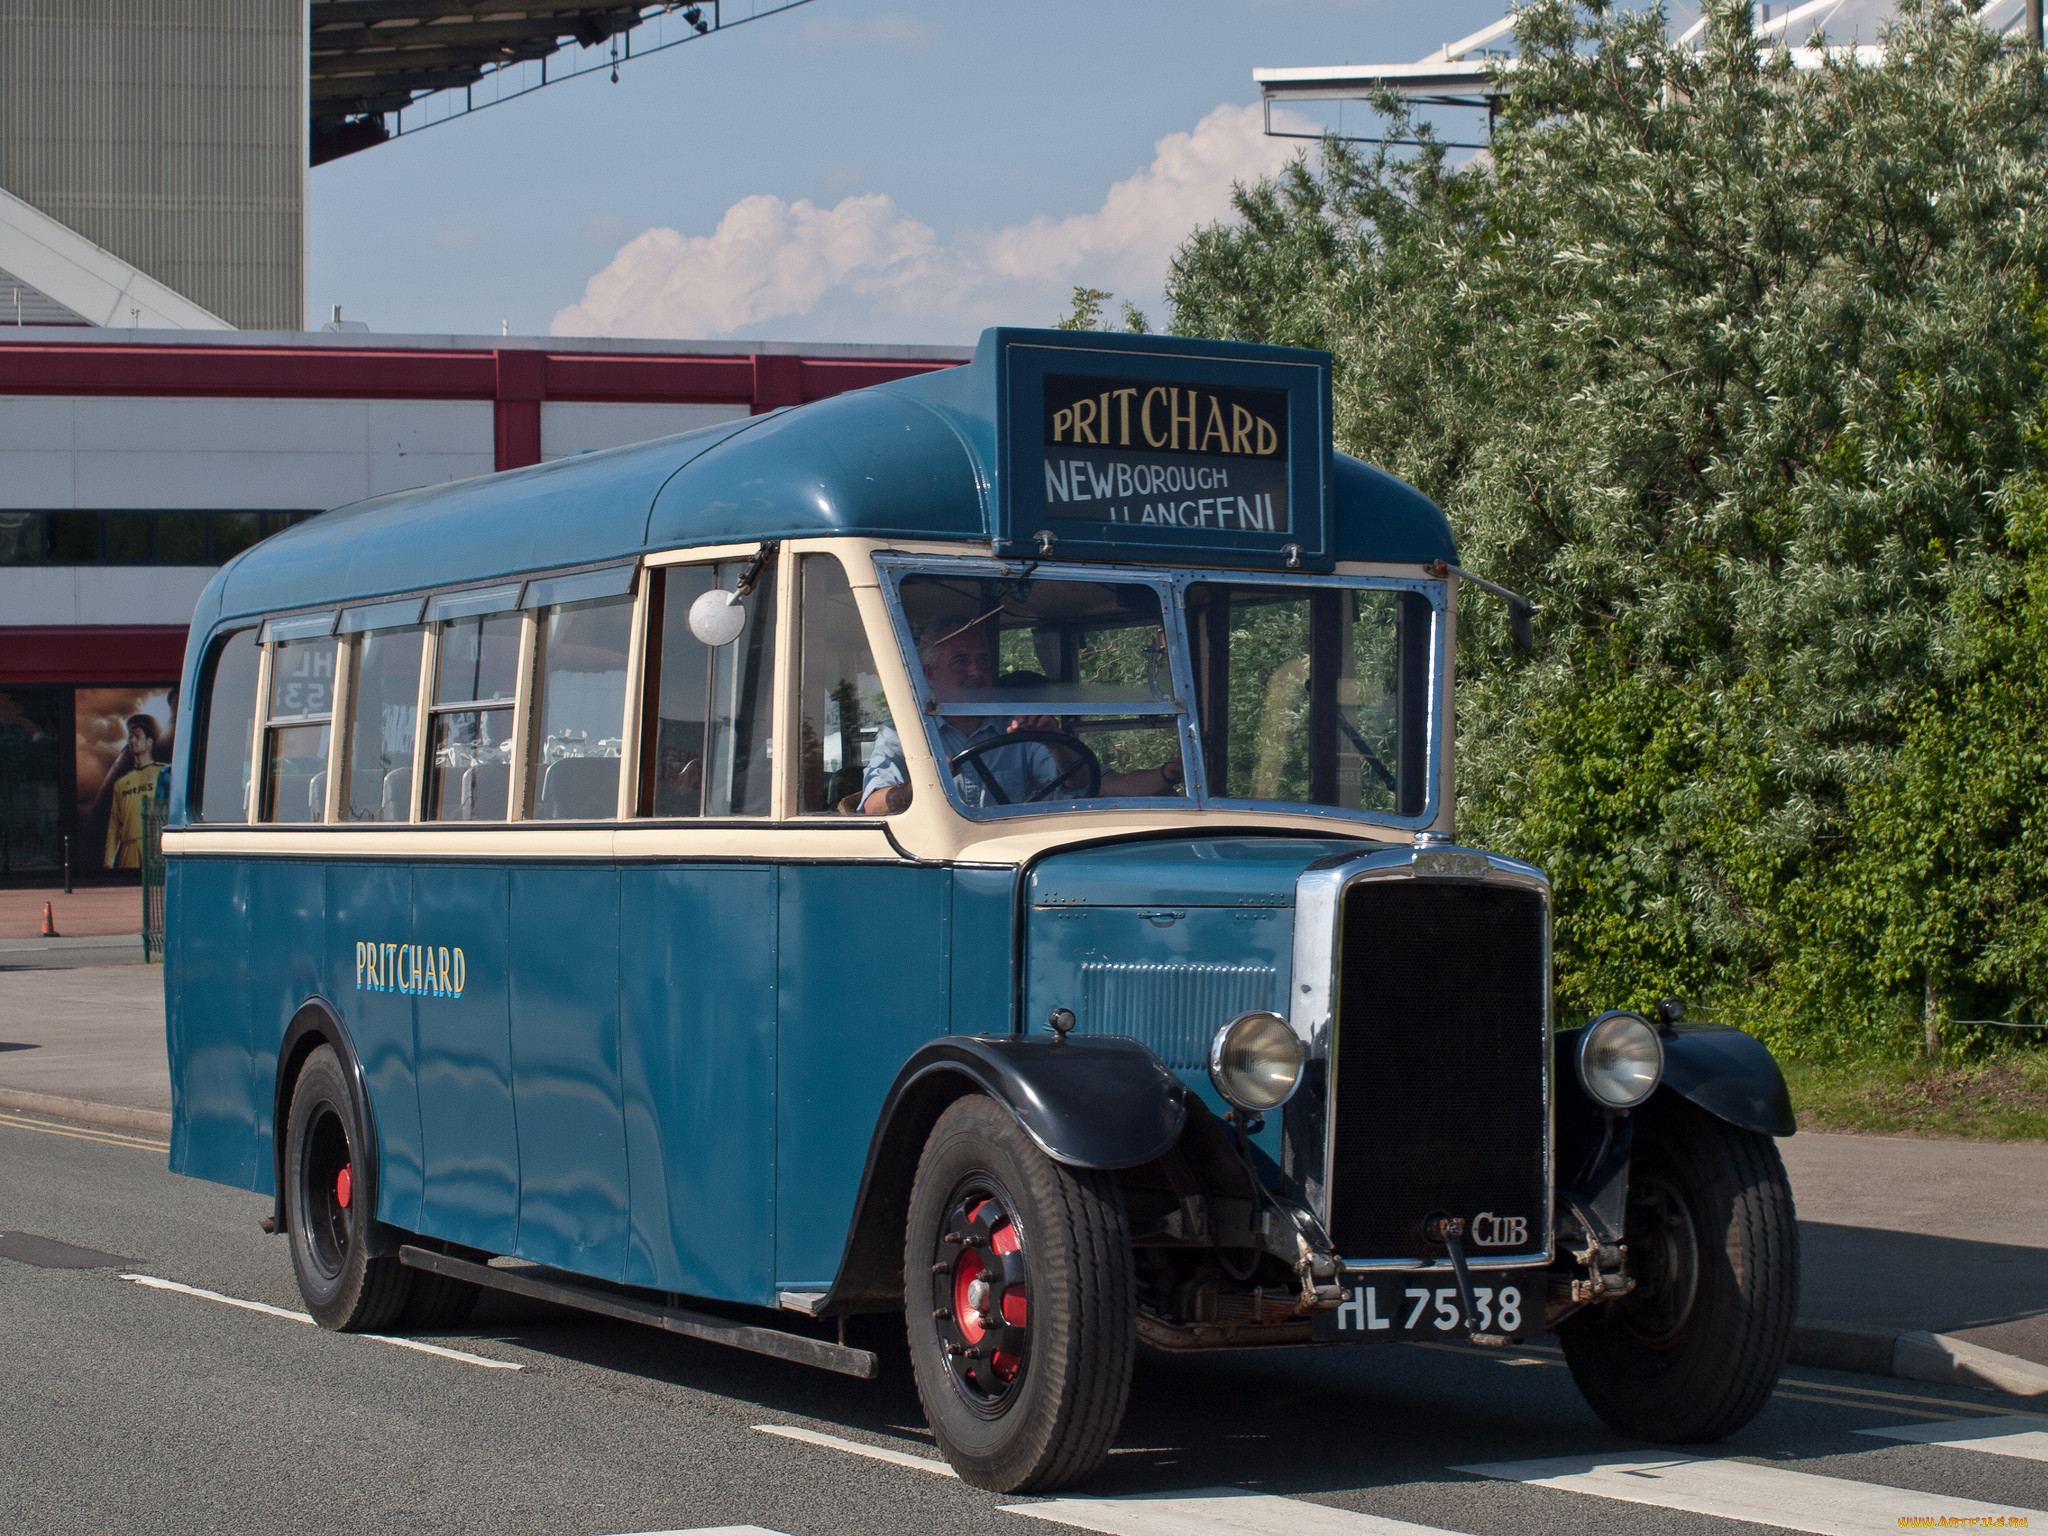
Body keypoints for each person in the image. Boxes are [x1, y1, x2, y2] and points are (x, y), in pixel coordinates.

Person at [859, 624, 1183, 813]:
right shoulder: (904, 732)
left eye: (983, 660)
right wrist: (926, 785)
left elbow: (1079, 785)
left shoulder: (1014, 726)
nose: (976, 670)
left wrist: (1054, 742)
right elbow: (873, 805)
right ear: (930, 674)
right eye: (961, 661)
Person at [103, 715, 169, 869]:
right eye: (130, 737)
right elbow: (114, 824)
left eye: (137, 736)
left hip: (155, 844)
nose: (132, 740)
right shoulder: (121, 783)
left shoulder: (163, 772)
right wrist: (108, 861)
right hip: (129, 848)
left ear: (149, 742)